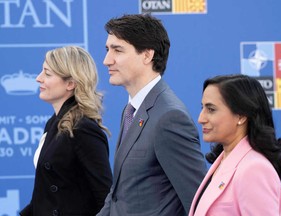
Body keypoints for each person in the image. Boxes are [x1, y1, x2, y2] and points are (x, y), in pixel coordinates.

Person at [97, 14, 207, 216]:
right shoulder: (131, 110)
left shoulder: (170, 117)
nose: (106, 60)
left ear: (147, 55)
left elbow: (199, 203)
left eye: (117, 50)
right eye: (107, 50)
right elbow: (118, 195)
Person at [20, 46, 113, 216]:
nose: (38, 78)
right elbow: (45, 194)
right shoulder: (53, 123)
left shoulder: (83, 129)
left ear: (70, 83)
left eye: (47, 74)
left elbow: (105, 196)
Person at [189, 74, 281, 216]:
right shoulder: (224, 161)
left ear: (241, 116)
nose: (201, 118)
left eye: (211, 109)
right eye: (202, 108)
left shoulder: (254, 169)